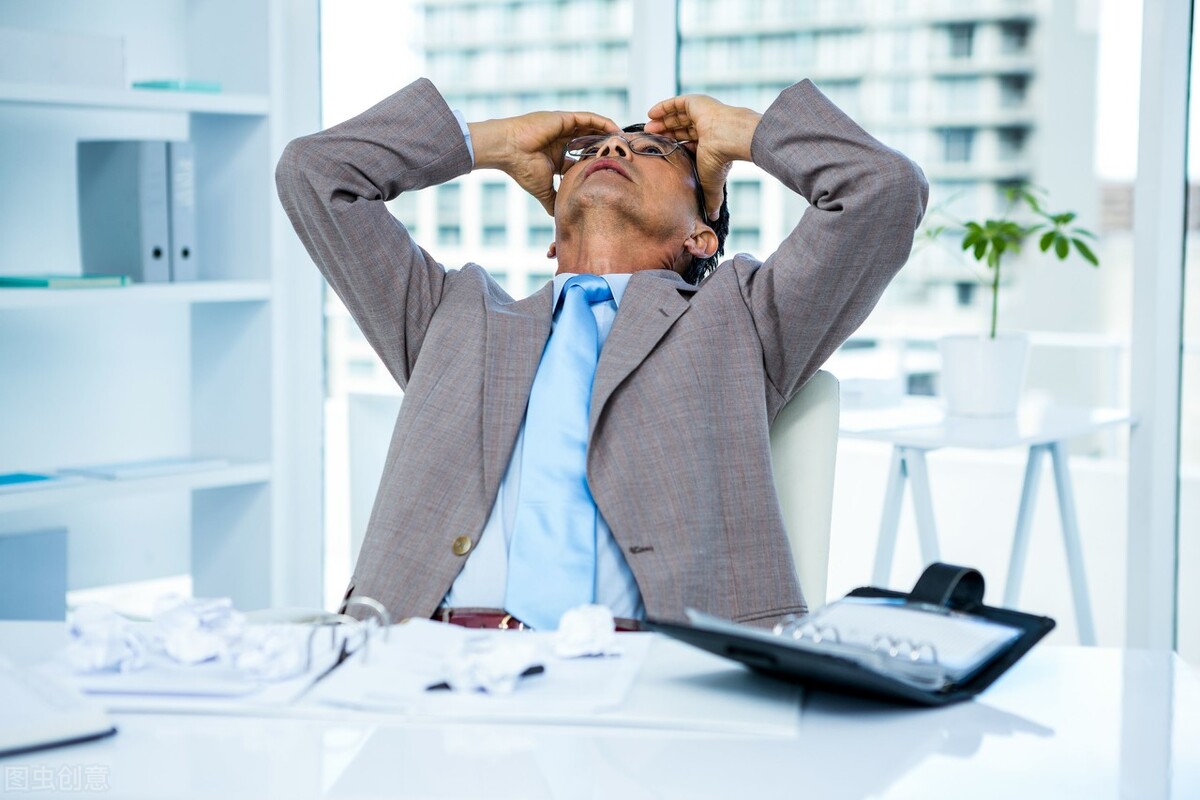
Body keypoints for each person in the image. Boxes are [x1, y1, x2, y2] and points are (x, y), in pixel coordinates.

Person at [276, 77, 928, 631]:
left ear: (702, 237)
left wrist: (743, 132)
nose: (613, 148)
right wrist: (488, 143)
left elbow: (884, 189)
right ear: (552, 239)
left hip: (663, 670)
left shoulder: (743, 316)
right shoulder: (451, 312)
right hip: (427, 661)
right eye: (588, 153)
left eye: (652, 152)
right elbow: (316, 173)